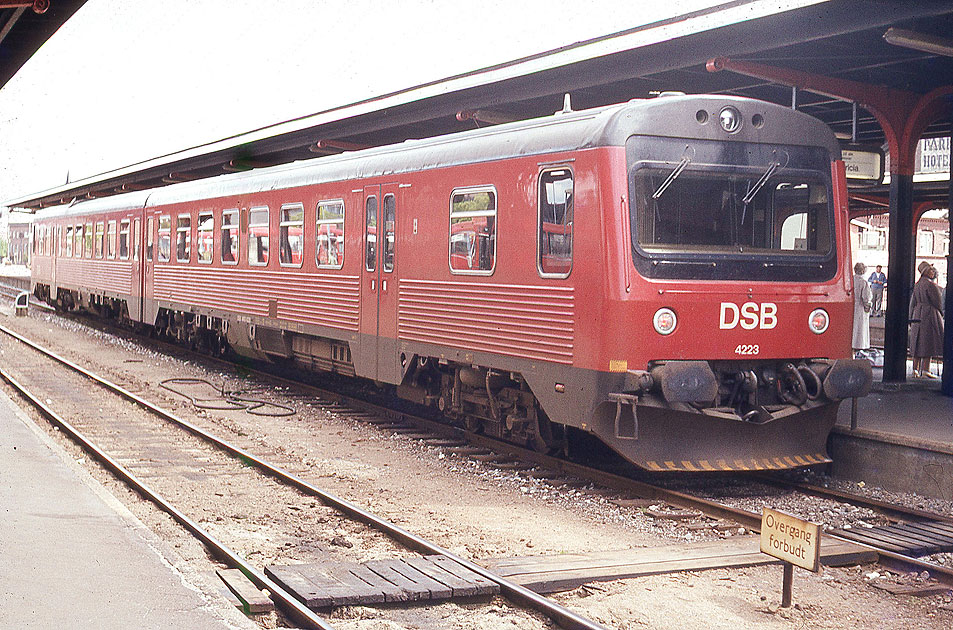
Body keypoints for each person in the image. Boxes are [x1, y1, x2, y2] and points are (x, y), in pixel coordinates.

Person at [909, 261, 944, 379]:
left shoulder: (917, 285)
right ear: (925, 272)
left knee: (917, 342)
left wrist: (911, 316)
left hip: (917, 313)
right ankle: (925, 369)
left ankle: (915, 369)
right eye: (930, 270)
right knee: (928, 342)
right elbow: (938, 302)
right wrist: (941, 313)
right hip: (929, 314)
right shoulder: (931, 285)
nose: (933, 272)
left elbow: (912, 303)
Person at [852, 262, 872, 356]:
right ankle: (857, 350)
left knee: (852, 329)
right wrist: (868, 306)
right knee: (859, 330)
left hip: (851, 307)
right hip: (860, 308)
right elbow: (866, 297)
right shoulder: (863, 282)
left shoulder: (851, 280)